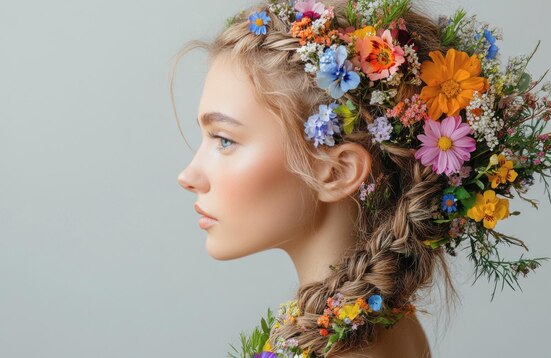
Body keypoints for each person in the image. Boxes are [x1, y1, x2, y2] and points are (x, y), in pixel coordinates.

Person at [174, 0, 464, 356]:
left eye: (224, 140)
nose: (188, 176)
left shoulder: (348, 343)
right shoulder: (389, 325)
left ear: (336, 172)